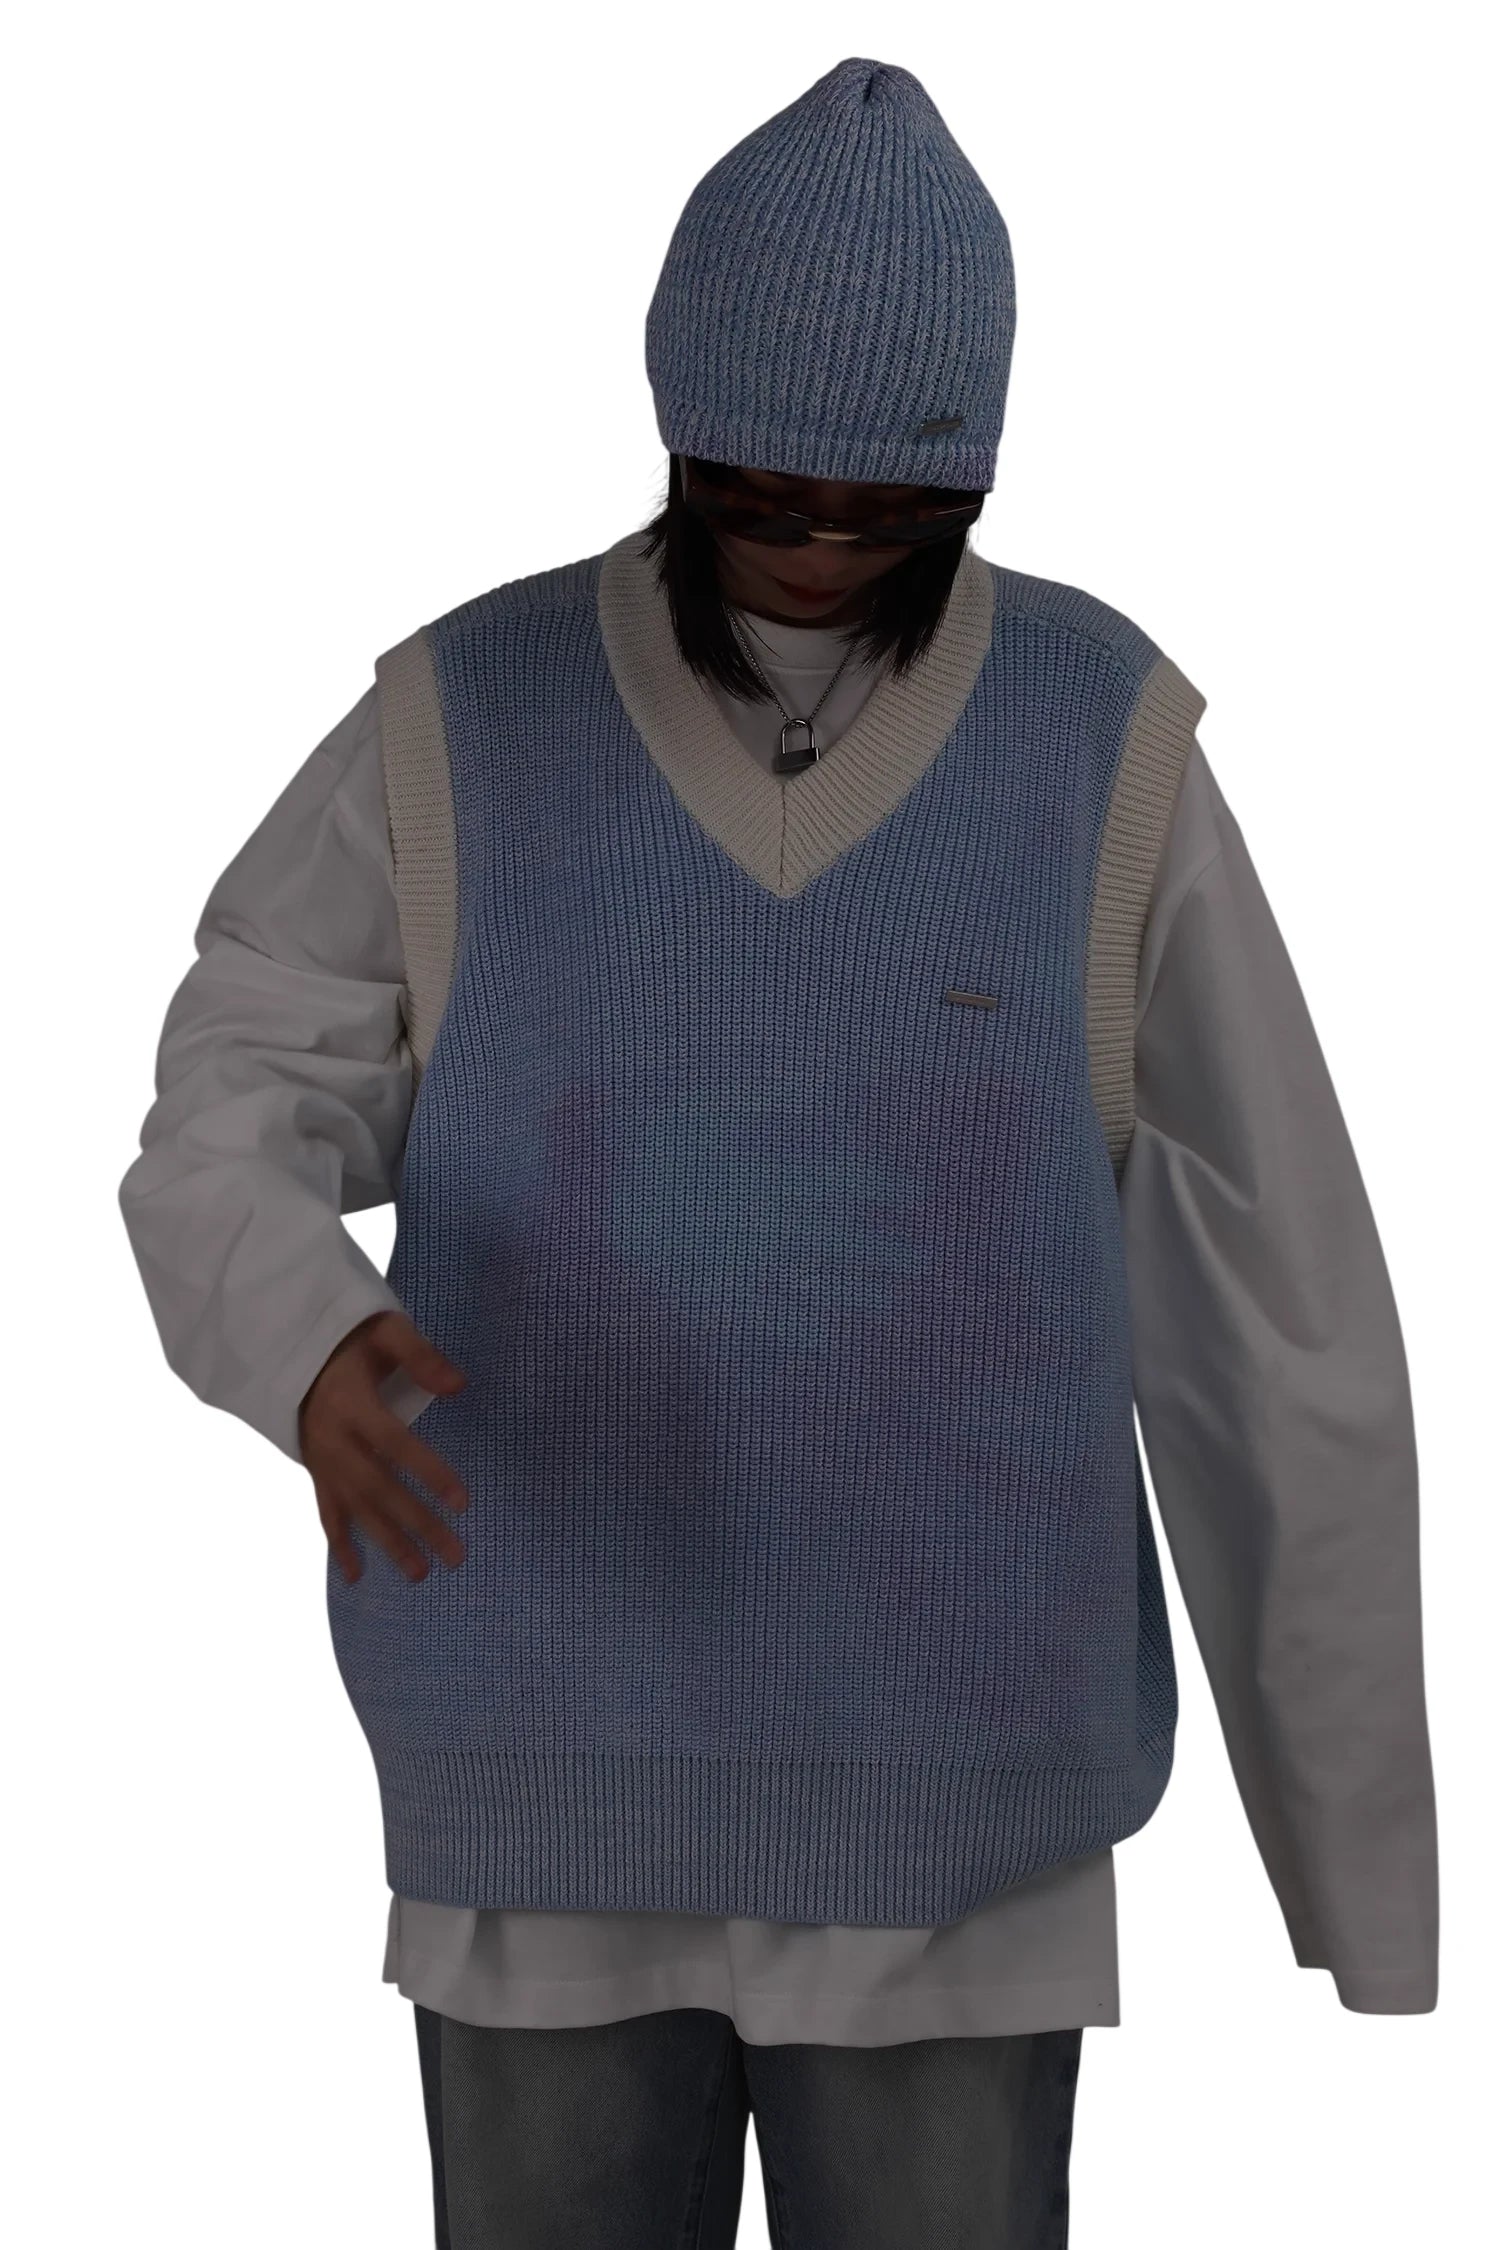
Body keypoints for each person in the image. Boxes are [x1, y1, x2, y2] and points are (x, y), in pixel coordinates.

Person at [118, 53, 1438, 2250]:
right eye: (761, 498)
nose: (820, 553)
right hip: (545, 1774)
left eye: (882, 514)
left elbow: (1277, 1326)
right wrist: (299, 1330)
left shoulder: (1098, 749)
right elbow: (234, 1083)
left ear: (972, 477)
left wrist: (1358, 1866)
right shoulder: (465, 722)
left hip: (962, 1821)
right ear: (675, 436)